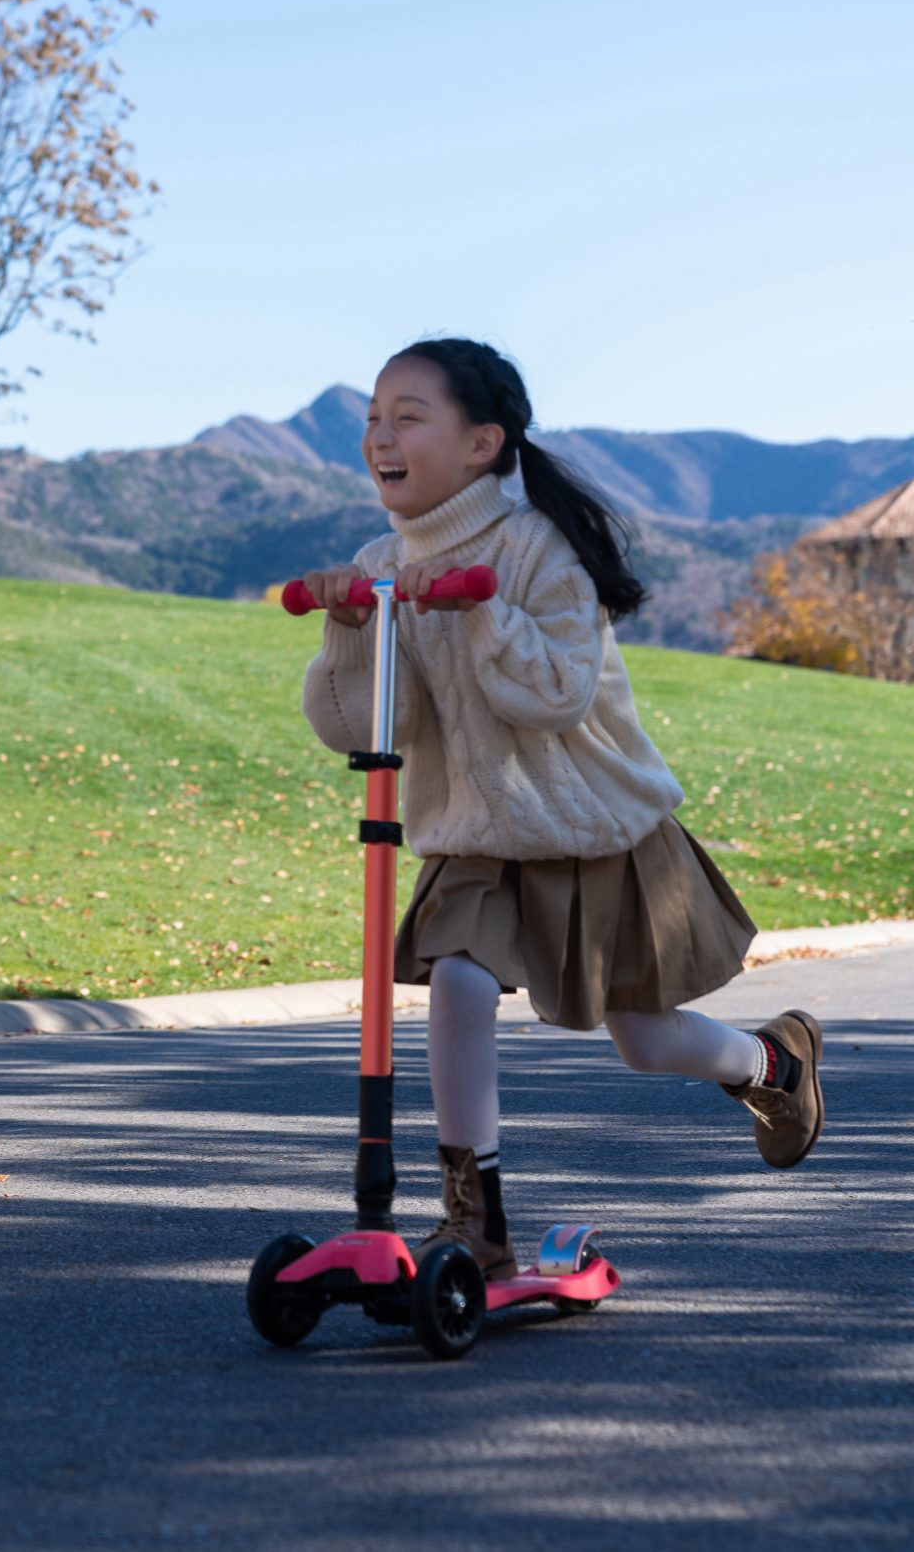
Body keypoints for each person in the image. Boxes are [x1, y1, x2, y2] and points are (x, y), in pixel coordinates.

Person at [297, 337, 823, 1279]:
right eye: (374, 418)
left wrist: (477, 610)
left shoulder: (539, 550)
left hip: (592, 829)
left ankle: (774, 1065)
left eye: (408, 417)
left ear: (483, 442)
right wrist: (351, 634)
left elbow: (556, 695)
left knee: (647, 1039)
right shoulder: (383, 562)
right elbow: (372, 729)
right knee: (456, 985)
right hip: (475, 836)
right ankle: (476, 1221)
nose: (381, 435)